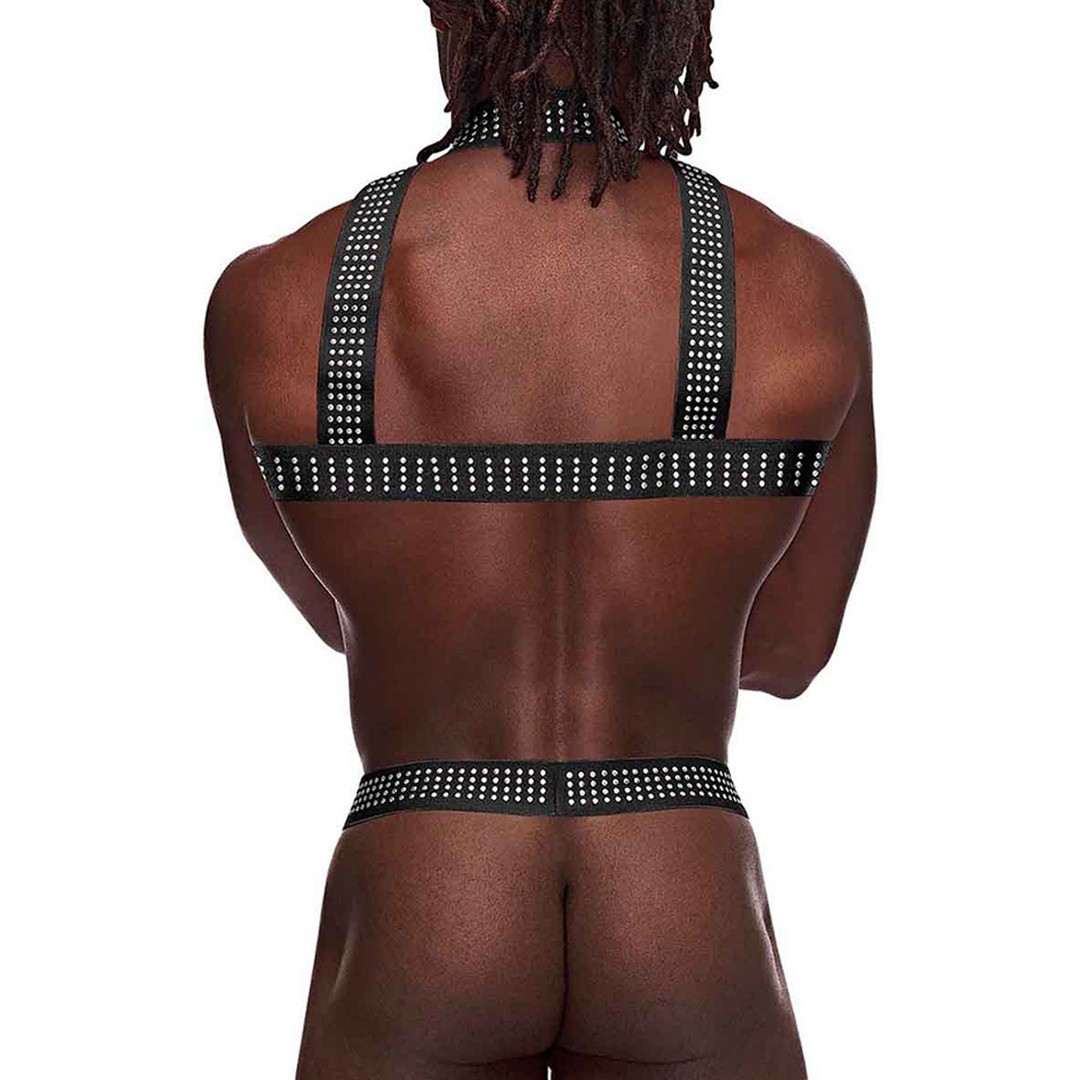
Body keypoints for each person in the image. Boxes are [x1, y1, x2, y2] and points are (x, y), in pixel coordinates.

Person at [204, 1, 876, 1076]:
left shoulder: (281, 294)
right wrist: (664, 628)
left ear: (451, 12)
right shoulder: (799, 285)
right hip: (679, 880)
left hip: (427, 878)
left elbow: (339, 615)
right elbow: (793, 651)